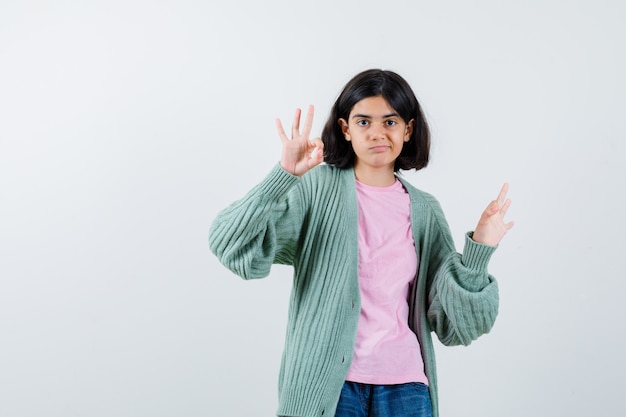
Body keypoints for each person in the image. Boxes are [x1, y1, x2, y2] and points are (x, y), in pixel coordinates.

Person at [209, 69, 513, 417]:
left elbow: (454, 325)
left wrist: (478, 252)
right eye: (364, 122)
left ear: (408, 130)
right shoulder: (317, 190)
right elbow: (230, 245)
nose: (377, 134)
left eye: (390, 122)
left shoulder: (425, 211)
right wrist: (283, 177)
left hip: (406, 389)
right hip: (328, 388)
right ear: (345, 129)